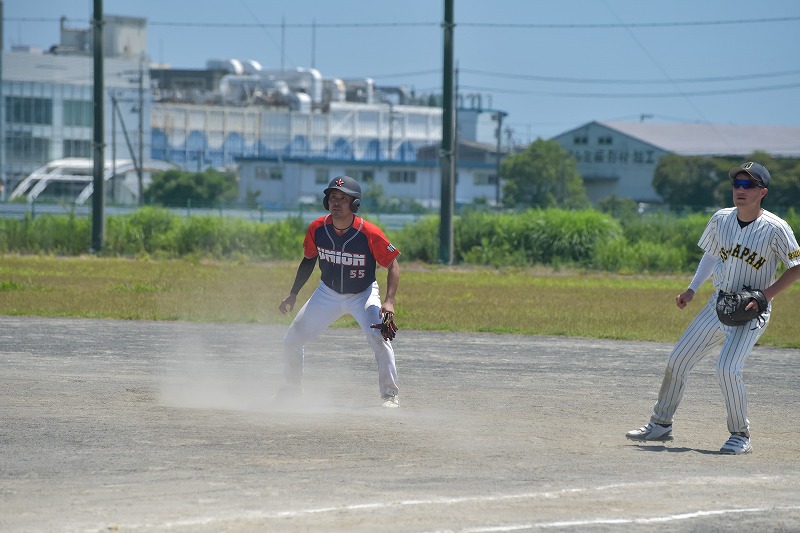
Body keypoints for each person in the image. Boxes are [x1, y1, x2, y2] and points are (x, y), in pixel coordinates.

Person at [626, 162, 800, 454]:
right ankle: (660, 424)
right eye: (737, 184)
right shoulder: (721, 219)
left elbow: (796, 266)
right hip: (718, 303)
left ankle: (740, 434)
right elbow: (711, 256)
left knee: (727, 368)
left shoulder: (776, 228)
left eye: (749, 185)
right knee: (678, 359)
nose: (740, 190)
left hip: (751, 311)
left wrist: (766, 296)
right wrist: (692, 289)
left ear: (762, 192)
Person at [278, 175, 402, 408]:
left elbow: (393, 265)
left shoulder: (369, 233)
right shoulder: (317, 228)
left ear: (354, 204)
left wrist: (389, 300)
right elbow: (308, 260)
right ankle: (292, 390)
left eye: (343, 198)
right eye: (333, 197)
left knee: (378, 336)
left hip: (363, 294)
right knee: (292, 340)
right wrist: (293, 293)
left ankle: (390, 394)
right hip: (327, 293)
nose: (336, 202)